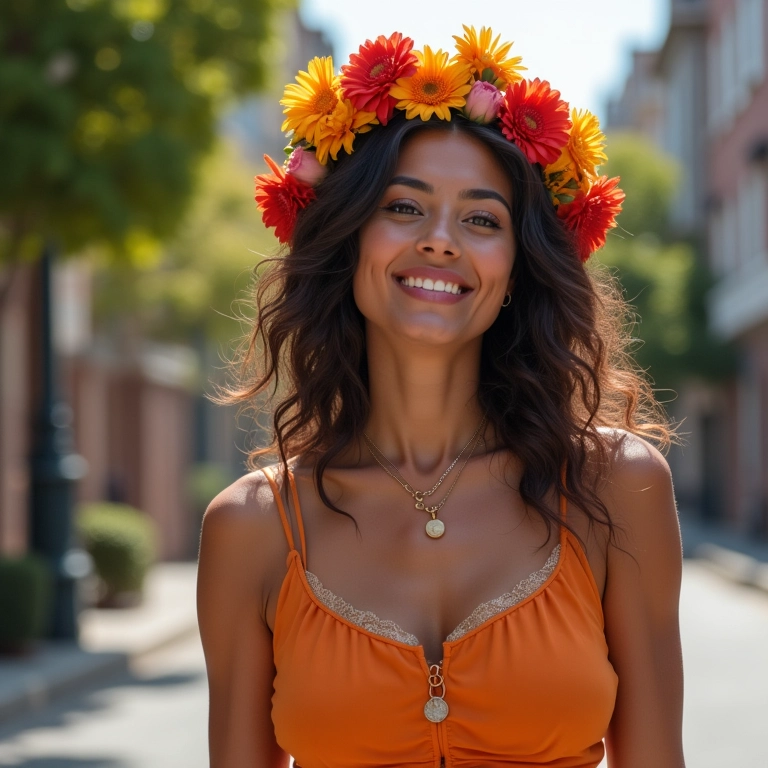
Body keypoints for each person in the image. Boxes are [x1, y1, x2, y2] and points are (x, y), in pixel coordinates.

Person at [197, 27, 685, 768]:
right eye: (403, 208)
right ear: (349, 239)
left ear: (517, 269)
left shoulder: (615, 487)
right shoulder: (253, 529)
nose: (441, 240)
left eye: (483, 219)